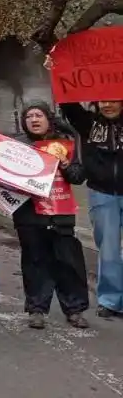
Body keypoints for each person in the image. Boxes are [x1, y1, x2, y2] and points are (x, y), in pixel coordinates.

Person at [11, 101, 89, 329]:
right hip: (29, 214)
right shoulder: (16, 146)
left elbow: (78, 177)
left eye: (39, 115)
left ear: (48, 118)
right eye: (29, 117)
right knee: (35, 262)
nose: (34, 120)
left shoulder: (66, 142)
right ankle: (37, 309)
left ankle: (74, 310)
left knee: (68, 263)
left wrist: (65, 162)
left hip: (61, 213)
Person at [59, 98, 123, 318]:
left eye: (113, 100)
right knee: (109, 249)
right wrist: (56, 68)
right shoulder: (88, 123)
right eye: (103, 101)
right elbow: (67, 102)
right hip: (102, 193)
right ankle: (110, 301)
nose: (108, 105)